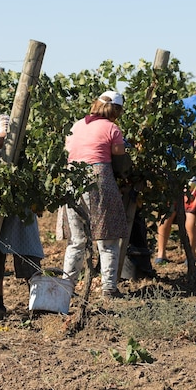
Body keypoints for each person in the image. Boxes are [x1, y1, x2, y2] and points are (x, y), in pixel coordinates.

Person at [0, 114, 44, 315]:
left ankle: (38, 302)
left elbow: (6, 138)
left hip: (19, 207)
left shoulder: (15, 139)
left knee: (28, 253)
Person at [62, 91, 129, 299]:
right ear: (115, 110)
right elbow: (119, 154)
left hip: (72, 179)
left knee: (77, 239)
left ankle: (67, 286)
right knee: (107, 237)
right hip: (98, 178)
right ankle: (109, 288)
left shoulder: (77, 125)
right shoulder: (112, 128)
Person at [155, 80, 196, 265]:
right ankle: (190, 255)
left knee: (167, 210)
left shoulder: (178, 105)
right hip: (190, 168)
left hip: (169, 167)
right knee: (191, 210)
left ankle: (161, 254)